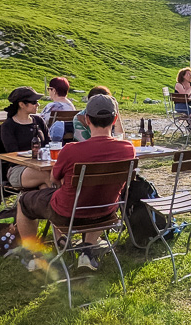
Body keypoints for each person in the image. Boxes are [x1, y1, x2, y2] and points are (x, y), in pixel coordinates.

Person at [14, 95, 136, 271]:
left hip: (67, 214)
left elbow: (54, 179)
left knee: (23, 201)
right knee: (98, 197)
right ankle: (87, 252)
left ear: (86, 119)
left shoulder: (71, 150)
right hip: (106, 212)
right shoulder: (128, 149)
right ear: (115, 118)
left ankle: (32, 256)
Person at [0, 87, 53, 190]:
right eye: (34, 102)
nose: (38, 104)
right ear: (21, 104)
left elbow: (48, 143)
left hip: (41, 166)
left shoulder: (38, 121)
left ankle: (37, 205)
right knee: (48, 176)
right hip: (18, 169)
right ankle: (66, 203)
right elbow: (13, 153)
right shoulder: (8, 125)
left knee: (45, 187)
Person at [41, 76, 74, 142]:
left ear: (54, 90)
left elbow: (42, 122)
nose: (49, 92)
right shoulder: (71, 106)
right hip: (67, 138)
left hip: (52, 138)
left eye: (49, 89)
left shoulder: (52, 106)